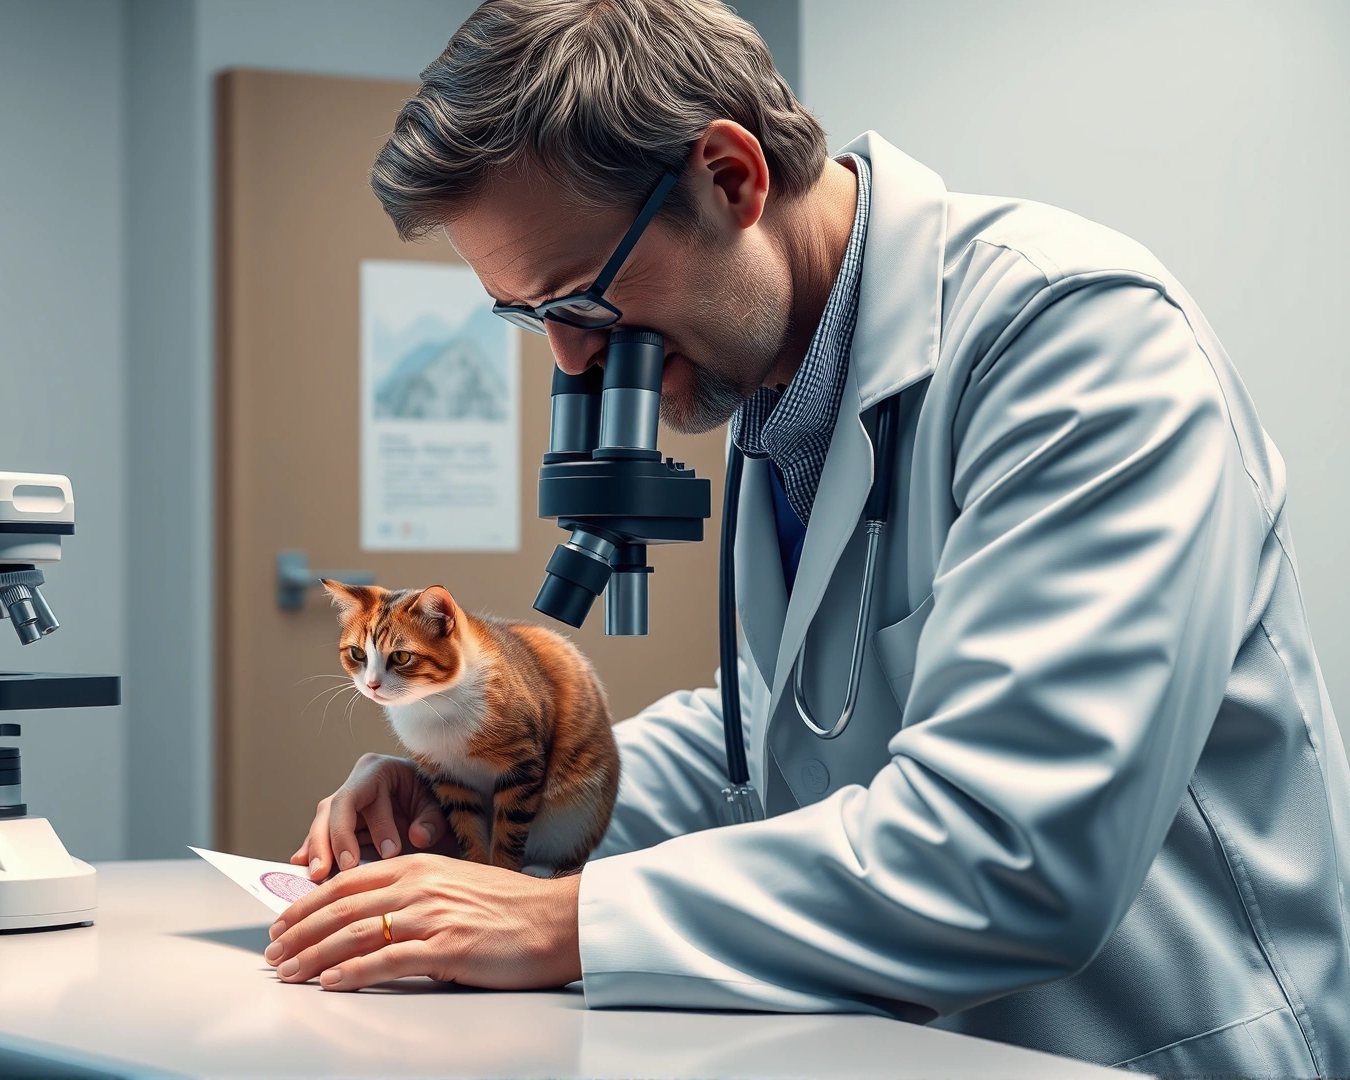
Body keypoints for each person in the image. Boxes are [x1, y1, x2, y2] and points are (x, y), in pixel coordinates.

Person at [259, 1, 1350, 1076]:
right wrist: (506, 798)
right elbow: (773, 740)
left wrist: (561, 919)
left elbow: (1013, 852)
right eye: (531, 317)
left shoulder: (1081, 342)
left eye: (581, 301)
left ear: (731, 178)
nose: (573, 363)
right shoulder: (778, 385)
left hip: (1157, 1054)